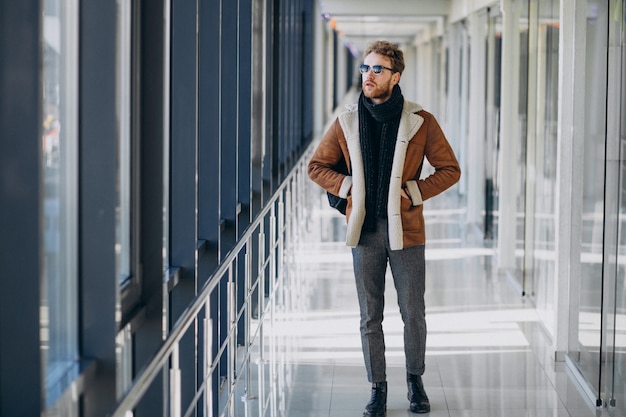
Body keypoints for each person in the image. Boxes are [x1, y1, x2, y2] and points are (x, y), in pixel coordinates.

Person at [308, 40, 460, 416]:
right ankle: (377, 387)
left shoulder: (420, 120)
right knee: (369, 315)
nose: (368, 76)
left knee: (413, 312)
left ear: (396, 76)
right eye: (365, 69)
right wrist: (348, 188)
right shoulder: (346, 121)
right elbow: (317, 166)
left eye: (377, 70)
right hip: (365, 232)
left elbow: (449, 169)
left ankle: (415, 381)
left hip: (407, 232)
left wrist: (415, 191)